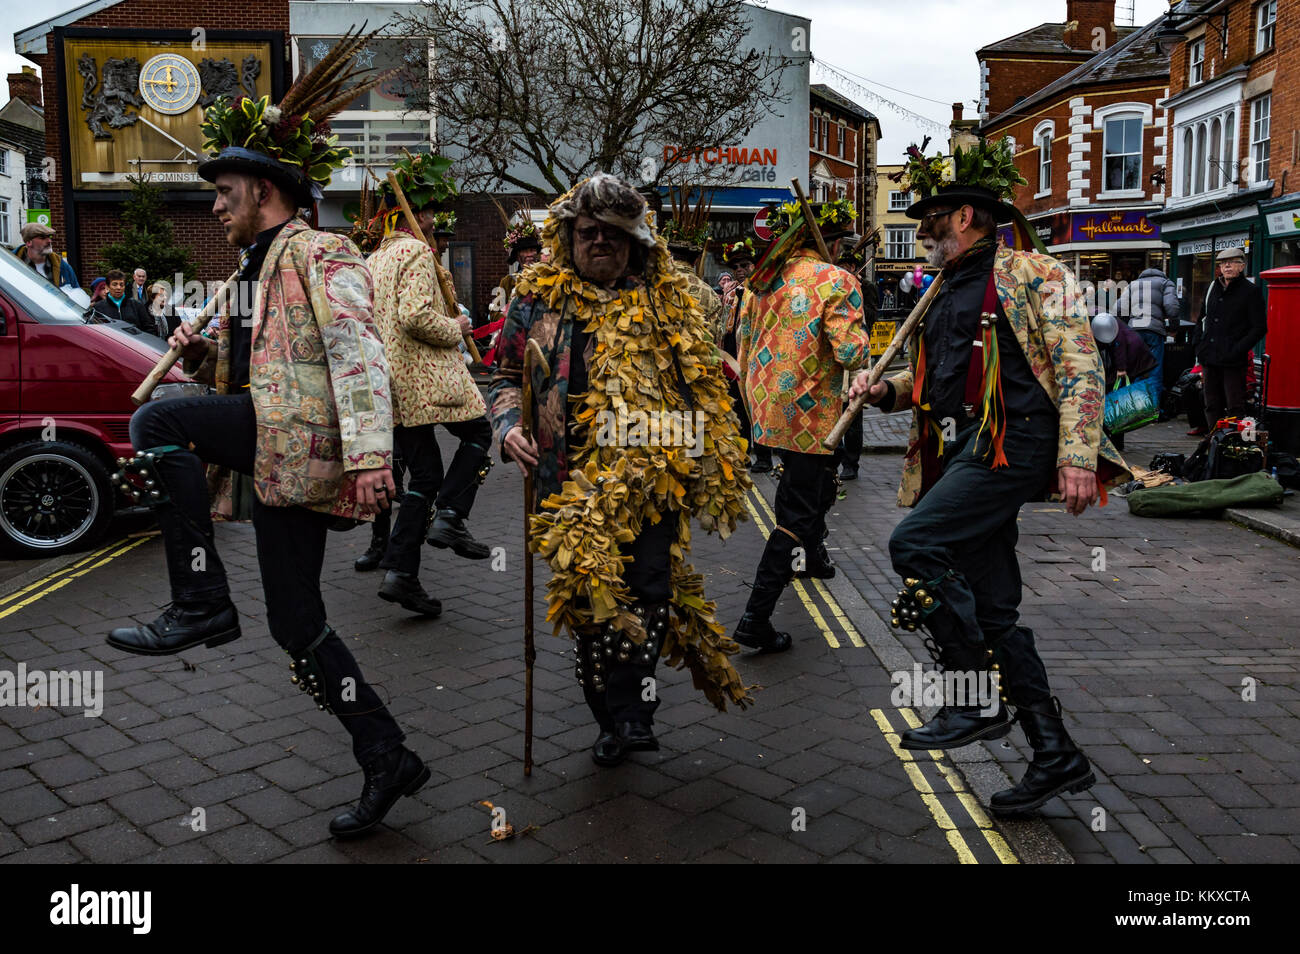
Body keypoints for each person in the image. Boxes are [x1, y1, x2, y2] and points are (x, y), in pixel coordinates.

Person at [105, 53, 429, 838]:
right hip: (280, 444)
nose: (215, 207)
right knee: (295, 623)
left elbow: (358, 351)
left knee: (158, 423)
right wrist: (205, 357)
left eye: (223, 194)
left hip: (308, 442)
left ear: (266, 190)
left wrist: (372, 457)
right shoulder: (254, 265)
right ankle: (387, 753)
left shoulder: (322, 252)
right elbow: (264, 371)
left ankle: (201, 599)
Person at [850, 139, 1130, 816]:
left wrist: (1078, 454)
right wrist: (880, 391)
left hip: (1016, 442)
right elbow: (933, 384)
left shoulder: (1034, 273)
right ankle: (1054, 753)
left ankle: (971, 698)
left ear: (968, 216)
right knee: (995, 610)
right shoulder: (941, 289)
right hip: (959, 448)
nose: (921, 233)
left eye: (933, 219)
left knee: (914, 545)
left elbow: (1080, 366)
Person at [489, 172, 752, 766]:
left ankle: (634, 714)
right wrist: (507, 429)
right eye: (588, 233)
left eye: (613, 233)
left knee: (649, 589)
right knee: (588, 604)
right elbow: (504, 378)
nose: (599, 242)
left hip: (652, 473)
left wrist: (711, 457)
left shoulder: (669, 301)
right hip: (565, 480)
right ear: (569, 237)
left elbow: (708, 380)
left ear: (636, 242)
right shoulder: (535, 298)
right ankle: (611, 717)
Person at [733, 198, 869, 652]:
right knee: (797, 511)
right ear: (829, 242)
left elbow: (743, 344)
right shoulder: (838, 280)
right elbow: (852, 353)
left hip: (767, 410)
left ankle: (811, 556)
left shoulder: (762, 281)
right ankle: (756, 616)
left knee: (812, 488)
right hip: (813, 417)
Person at [368, 152, 492, 617]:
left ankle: (401, 572)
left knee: (423, 476)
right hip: (425, 378)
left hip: (391, 384)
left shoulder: (375, 256)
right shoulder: (416, 253)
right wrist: (457, 326)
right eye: (426, 213)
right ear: (411, 215)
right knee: (480, 434)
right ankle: (453, 517)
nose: (431, 222)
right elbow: (415, 316)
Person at [718, 238, 772, 473]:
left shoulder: (760, 291)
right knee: (738, 411)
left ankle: (763, 457)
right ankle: (742, 453)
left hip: (754, 361)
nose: (740, 271)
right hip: (732, 360)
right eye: (736, 267)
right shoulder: (729, 294)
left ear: (754, 266)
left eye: (745, 266)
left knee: (757, 410)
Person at [1197, 246, 1266, 428]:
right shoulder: (1212, 287)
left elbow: (1259, 328)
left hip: (1233, 361)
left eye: (1232, 262)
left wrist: (1237, 350)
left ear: (1241, 266)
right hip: (1210, 357)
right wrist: (1199, 347)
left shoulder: (1251, 292)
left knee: (1235, 406)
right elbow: (1201, 320)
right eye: (1223, 263)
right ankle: (1214, 442)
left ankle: (1232, 446)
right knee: (1211, 404)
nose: (1227, 266)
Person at [835, 236, 880, 481]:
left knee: (853, 412)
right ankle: (837, 455)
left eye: (847, 267)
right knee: (833, 412)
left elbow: (870, 319)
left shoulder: (867, 287)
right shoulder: (833, 286)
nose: (843, 271)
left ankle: (851, 463)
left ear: (854, 268)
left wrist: (857, 293)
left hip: (858, 355)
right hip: (835, 357)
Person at [1090, 312, 1157, 452]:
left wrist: (1121, 368)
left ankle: (1115, 439)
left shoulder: (1101, 322)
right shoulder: (1102, 319)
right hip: (1130, 356)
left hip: (1130, 358)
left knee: (1118, 401)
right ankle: (1115, 438)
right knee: (1117, 400)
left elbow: (1118, 344)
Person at [1116, 264, 1178, 402]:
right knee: (1154, 371)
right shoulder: (1166, 283)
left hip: (1134, 332)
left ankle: (1134, 407)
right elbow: (1172, 308)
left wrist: (1130, 321)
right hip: (1154, 331)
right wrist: (1172, 326)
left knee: (1137, 369)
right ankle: (1152, 408)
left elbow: (1119, 308)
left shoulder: (1133, 285)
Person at [13, 222, 79, 288]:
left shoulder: (63, 267)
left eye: (49, 237)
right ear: (29, 242)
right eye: (42, 238)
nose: (49, 241)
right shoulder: (10, 264)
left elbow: (75, 292)